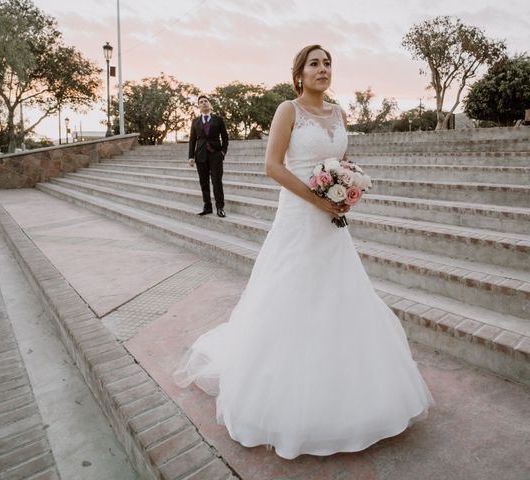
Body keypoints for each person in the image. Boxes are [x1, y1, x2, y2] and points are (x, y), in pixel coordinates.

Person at [174, 45, 434, 459]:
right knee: (292, 294)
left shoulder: (338, 112)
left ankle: (353, 392)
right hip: (299, 215)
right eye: (314, 64)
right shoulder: (287, 110)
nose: (323, 69)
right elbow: (273, 165)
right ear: (299, 73)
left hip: (332, 220)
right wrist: (318, 199)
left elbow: (340, 158)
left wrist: (349, 181)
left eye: (328, 63)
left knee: (341, 295)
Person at [188, 95, 229, 217]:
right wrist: (191, 156)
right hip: (200, 156)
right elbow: (192, 140)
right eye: (201, 102)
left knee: (217, 182)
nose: (204, 103)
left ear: (209, 104)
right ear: (199, 106)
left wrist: (223, 152)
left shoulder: (218, 120)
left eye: (206, 101)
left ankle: (220, 207)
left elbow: (225, 138)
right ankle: (207, 206)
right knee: (204, 182)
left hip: (216, 155)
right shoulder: (195, 122)